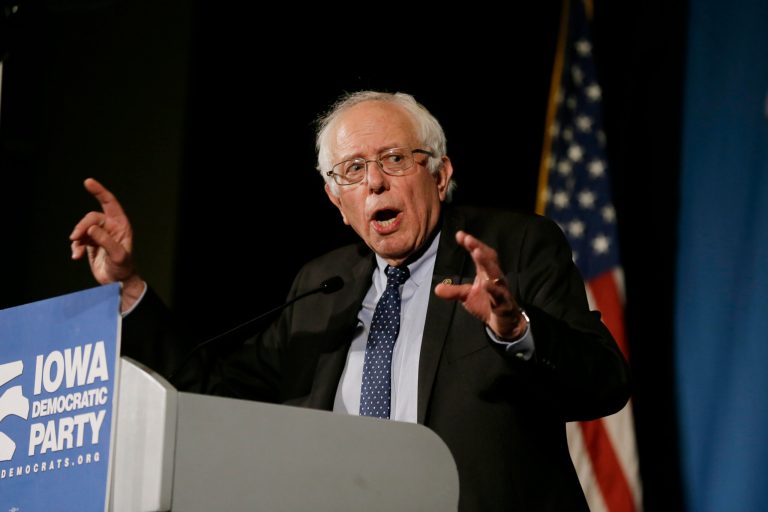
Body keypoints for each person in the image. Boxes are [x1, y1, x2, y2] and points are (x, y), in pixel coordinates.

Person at [70, 90, 630, 511]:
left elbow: (604, 382)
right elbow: (214, 393)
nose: (374, 183)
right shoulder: (322, 286)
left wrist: (515, 330)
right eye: (353, 170)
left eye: (395, 159)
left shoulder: (516, 247)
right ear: (337, 201)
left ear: (440, 175)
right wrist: (129, 288)